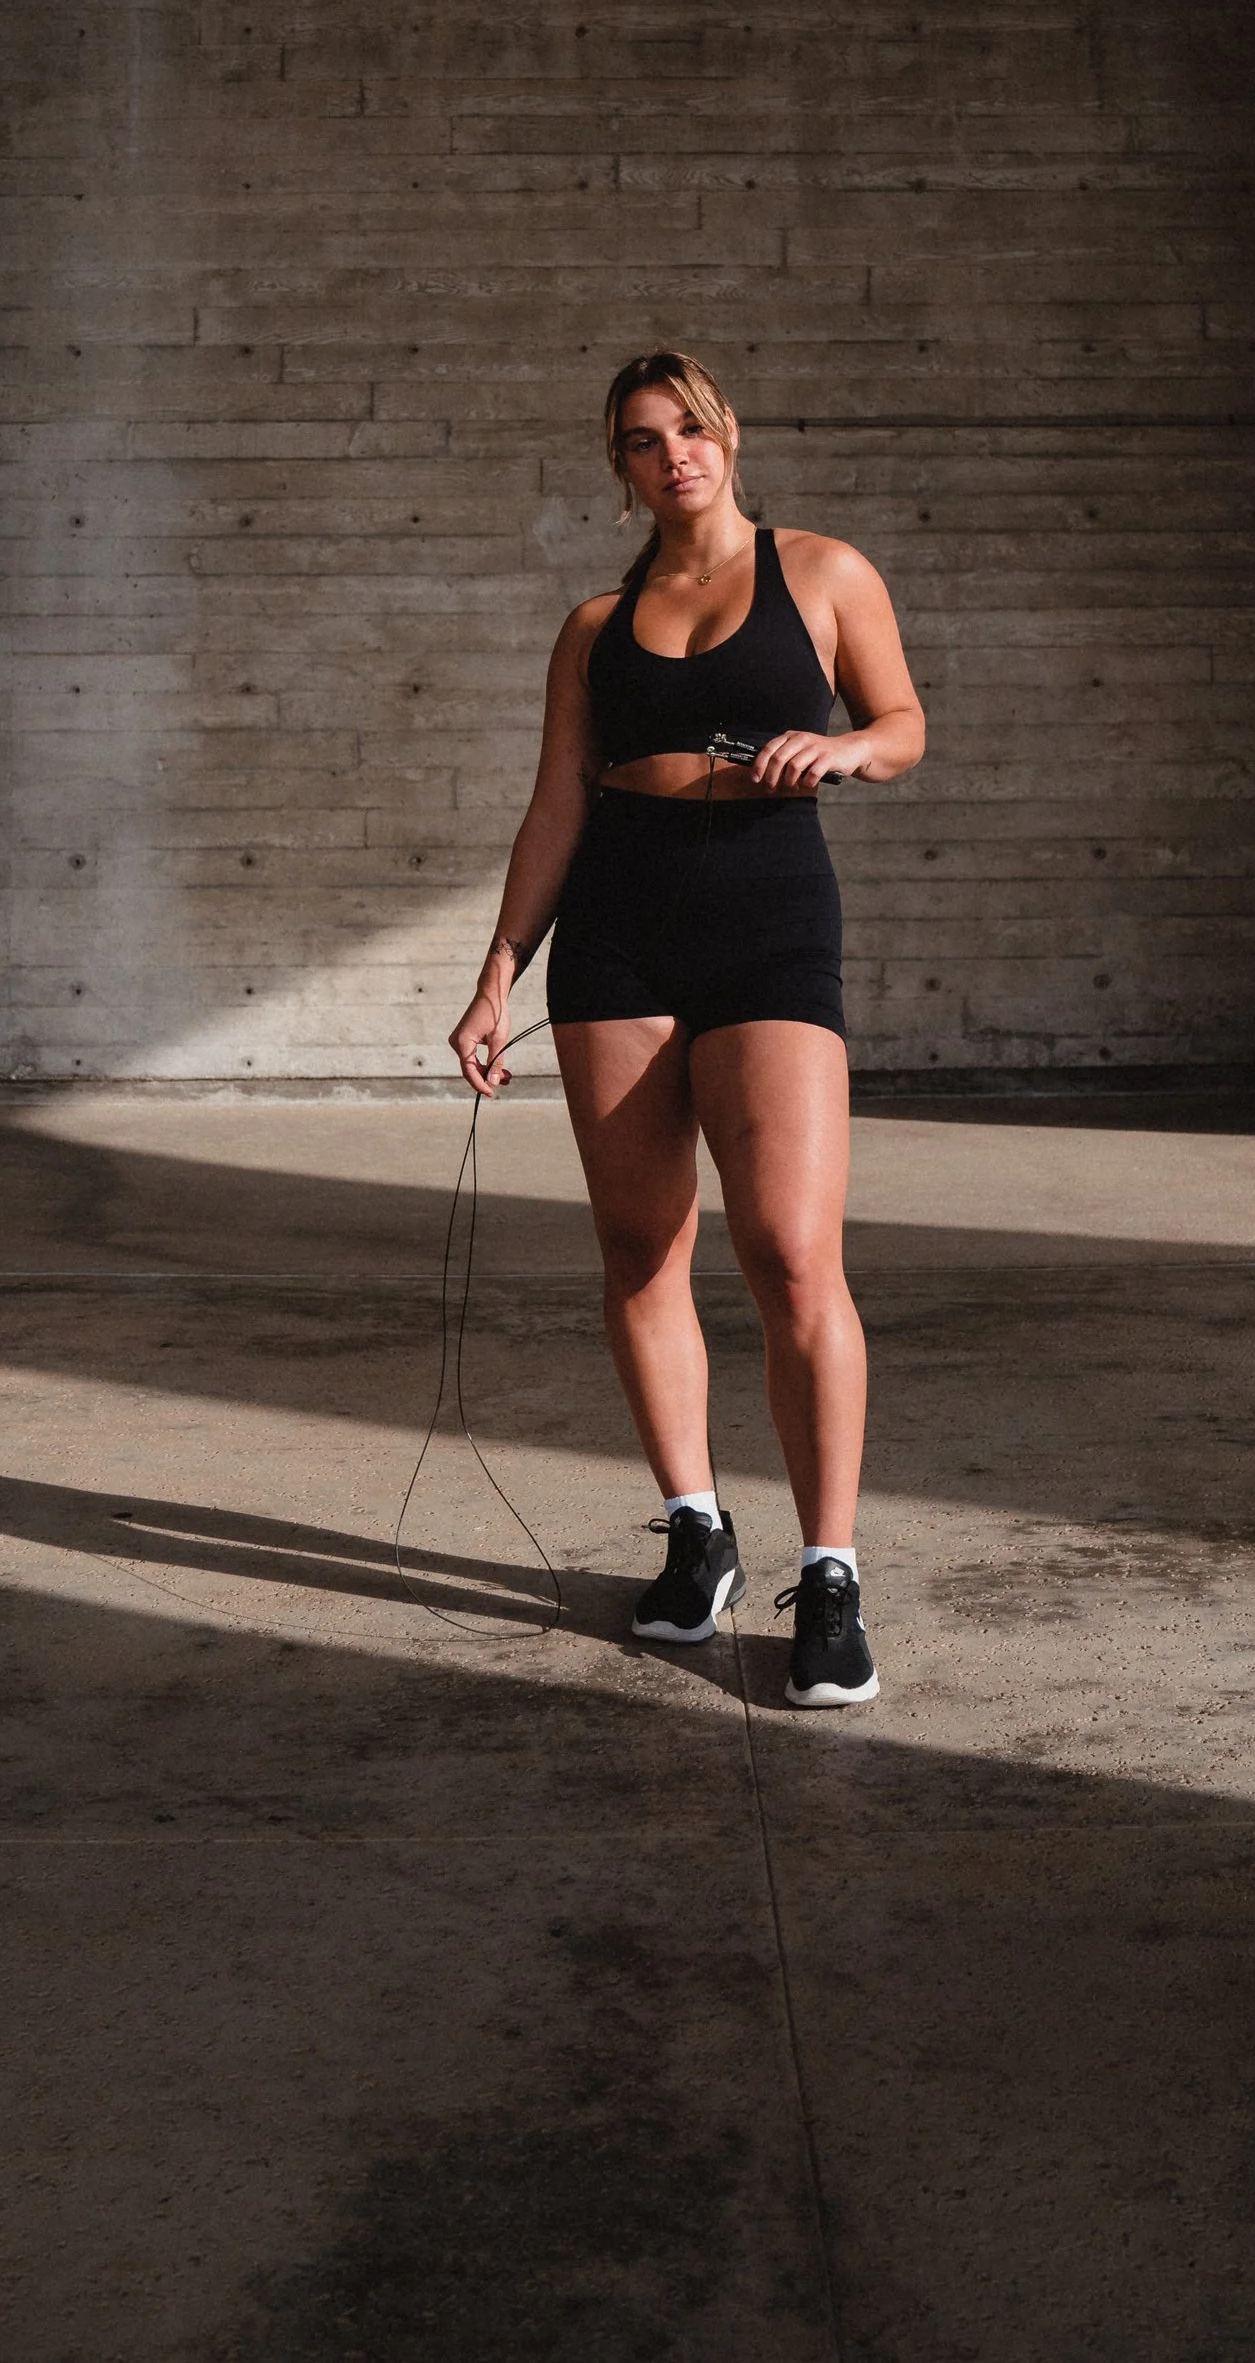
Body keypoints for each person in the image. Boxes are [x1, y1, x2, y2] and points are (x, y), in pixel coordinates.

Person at [448, 349, 925, 1707]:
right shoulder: (596, 624)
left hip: (770, 912)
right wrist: (495, 977)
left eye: (693, 430)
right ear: (622, 469)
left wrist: (844, 750)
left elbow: (904, 722)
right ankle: (696, 1531)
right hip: (617, 927)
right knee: (641, 1246)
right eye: (644, 441)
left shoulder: (825, 574)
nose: (675, 456)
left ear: (730, 436)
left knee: (788, 1250)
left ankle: (828, 1570)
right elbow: (557, 808)